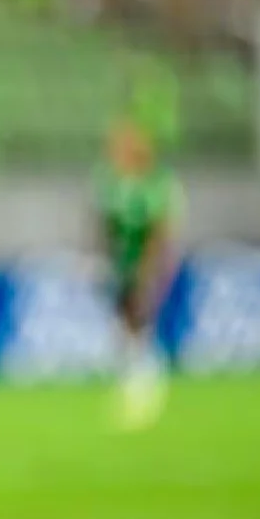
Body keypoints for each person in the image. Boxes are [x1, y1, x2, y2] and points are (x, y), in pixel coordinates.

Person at [93, 120, 184, 431]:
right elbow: (106, 225)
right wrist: (106, 260)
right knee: (124, 327)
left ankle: (145, 390)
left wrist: (149, 270)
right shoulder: (113, 183)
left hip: (148, 265)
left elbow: (159, 231)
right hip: (123, 264)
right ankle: (134, 388)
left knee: (138, 324)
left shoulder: (156, 184)